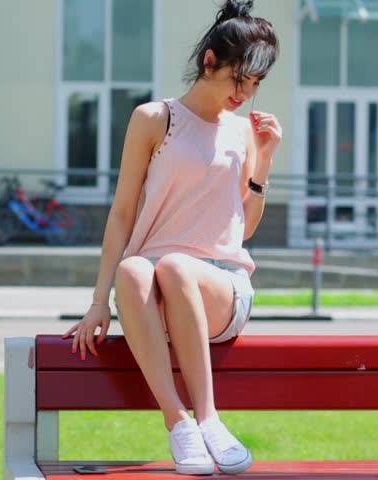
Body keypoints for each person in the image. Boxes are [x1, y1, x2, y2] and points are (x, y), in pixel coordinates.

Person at [62, 0, 280, 475]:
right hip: (153, 298)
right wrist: (100, 301)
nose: (245, 93)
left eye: (255, 83)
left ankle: (209, 418)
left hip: (221, 287)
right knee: (134, 267)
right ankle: (178, 422)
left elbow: (241, 230)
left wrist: (262, 163)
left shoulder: (243, 132)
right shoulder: (154, 119)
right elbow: (122, 215)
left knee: (178, 265)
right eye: (238, 79)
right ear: (209, 62)